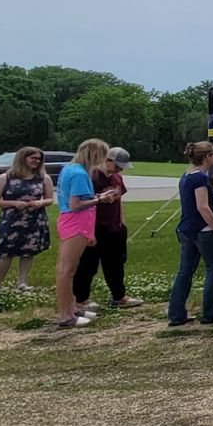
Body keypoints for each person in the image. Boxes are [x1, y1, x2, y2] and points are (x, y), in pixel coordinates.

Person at [52, 138, 111, 328]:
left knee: (69, 269)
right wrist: (100, 199)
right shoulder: (79, 173)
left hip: (74, 221)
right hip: (76, 222)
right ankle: (66, 315)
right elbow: (75, 204)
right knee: (66, 270)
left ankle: (72, 308)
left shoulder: (70, 169)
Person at [76, 146, 142, 312]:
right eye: (118, 165)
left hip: (115, 227)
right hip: (95, 227)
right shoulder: (92, 177)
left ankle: (119, 296)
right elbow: (82, 205)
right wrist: (88, 231)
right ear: (107, 160)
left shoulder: (117, 178)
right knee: (88, 265)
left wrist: (122, 224)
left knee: (116, 264)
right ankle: (81, 299)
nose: (120, 169)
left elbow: (119, 202)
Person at [167, 140, 213, 326]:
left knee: (185, 271)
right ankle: (211, 312)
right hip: (203, 229)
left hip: (186, 228)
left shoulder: (186, 175)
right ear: (207, 157)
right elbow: (203, 207)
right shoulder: (200, 178)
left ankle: (176, 313)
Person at [0, 146, 53, 293]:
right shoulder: (5, 178)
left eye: (39, 159)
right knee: (5, 251)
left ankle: (22, 282)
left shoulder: (43, 178)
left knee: (29, 251)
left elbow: (49, 199)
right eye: (33, 158)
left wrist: (40, 202)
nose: (36, 161)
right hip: (11, 220)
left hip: (35, 219)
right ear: (23, 159)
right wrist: (14, 203)